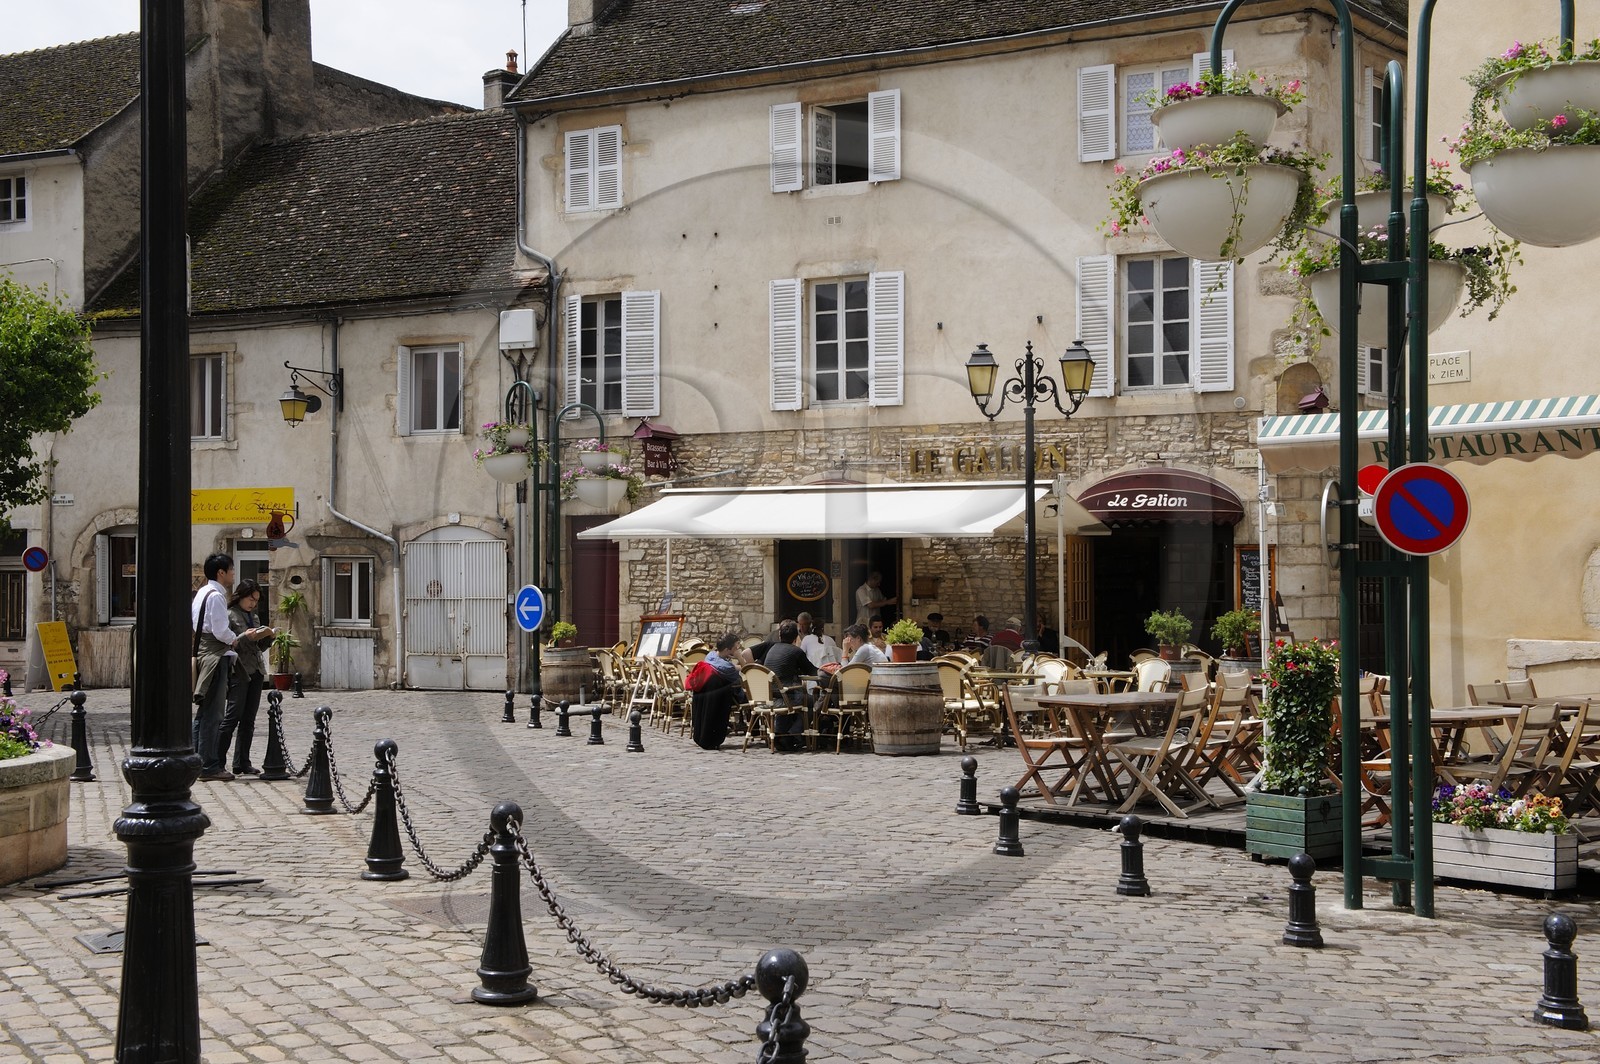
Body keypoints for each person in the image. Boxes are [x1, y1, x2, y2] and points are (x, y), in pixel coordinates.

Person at [191, 553, 259, 781]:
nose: (233, 574)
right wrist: (235, 638)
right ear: (221, 572)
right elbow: (220, 631)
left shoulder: (202, 592)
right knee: (214, 713)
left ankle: (196, 759)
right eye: (231, 570)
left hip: (203, 651)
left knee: (203, 713)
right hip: (215, 654)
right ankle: (209, 765)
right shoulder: (216, 597)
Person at [217, 579, 273, 775]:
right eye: (251, 599)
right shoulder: (230, 616)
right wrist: (244, 636)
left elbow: (259, 647)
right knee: (232, 717)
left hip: (256, 670)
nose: (253, 604)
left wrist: (268, 637)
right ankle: (217, 761)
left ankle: (242, 762)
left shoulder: (254, 618)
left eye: (256, 600)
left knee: (249, 719)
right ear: (240, 596)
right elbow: (228, 643)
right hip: (239, 671)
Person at [760, 620, 811, 751]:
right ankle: (792, 736)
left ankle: (780, 734)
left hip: (770, 697)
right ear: (796, 637)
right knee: (810, 701)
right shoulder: (795, 651)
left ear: (780, 636)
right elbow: (811, 671)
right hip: (784, 698)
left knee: (789, 695)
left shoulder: (771, 649)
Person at [691, 632, 745, 750]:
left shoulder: (710, 656)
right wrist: (740, 657)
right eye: (736, 647)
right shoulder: (727, 668)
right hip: (723, 695)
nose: (738, 649)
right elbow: (746, 669)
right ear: (727, 649)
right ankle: (754, 729)